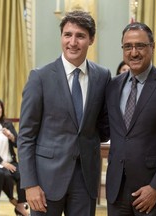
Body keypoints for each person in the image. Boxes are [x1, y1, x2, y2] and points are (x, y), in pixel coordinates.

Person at [17, 11, 111, 216]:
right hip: (45, 181)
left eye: (80, 36)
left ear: (91, 39)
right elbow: (25, 136)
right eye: (68, 34)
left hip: (85, 180)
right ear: (61, 37)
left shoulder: (102, 76)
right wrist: (30, 183)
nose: (73, 42)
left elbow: (103, 127)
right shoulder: (40, 77)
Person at [105, 22, 156, 216]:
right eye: (128, 46)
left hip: (152, 193)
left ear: (153, 47)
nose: (133, 52)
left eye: (140, 46)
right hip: (116, 191)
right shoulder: (113, 86)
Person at [0, 97, 29, 216]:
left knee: (23, 174)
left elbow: (18, 143)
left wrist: (11, 136)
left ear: (2, 109)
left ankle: (20, 205)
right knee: (4, 175)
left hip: (10, 162)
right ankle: (13, 200)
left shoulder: (7, 124)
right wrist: (2, 163)